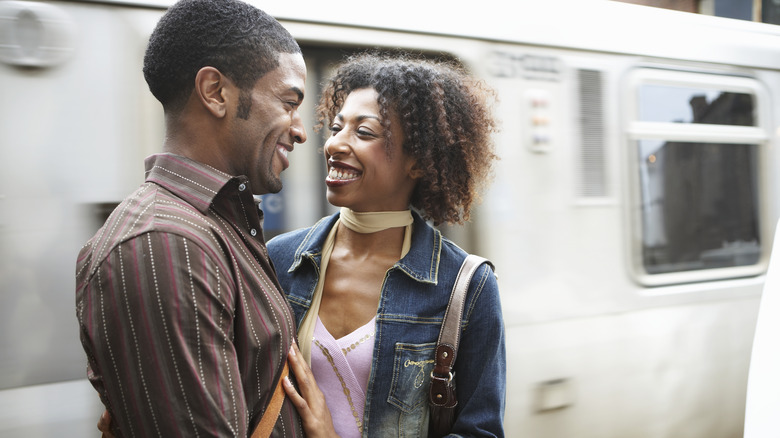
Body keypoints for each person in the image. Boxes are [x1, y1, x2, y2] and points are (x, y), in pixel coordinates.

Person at [75, 0, 309, 436]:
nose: (300, 129)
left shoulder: (211, 227)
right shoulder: (164, 242)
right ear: (216, 92)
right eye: (288, 102)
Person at [269, 53, 506, 437]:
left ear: (418, 162)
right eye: (336, 127)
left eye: (364, 133)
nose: (335, 145)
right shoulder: (280, 259)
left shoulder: (466, 286)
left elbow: (481, 432)